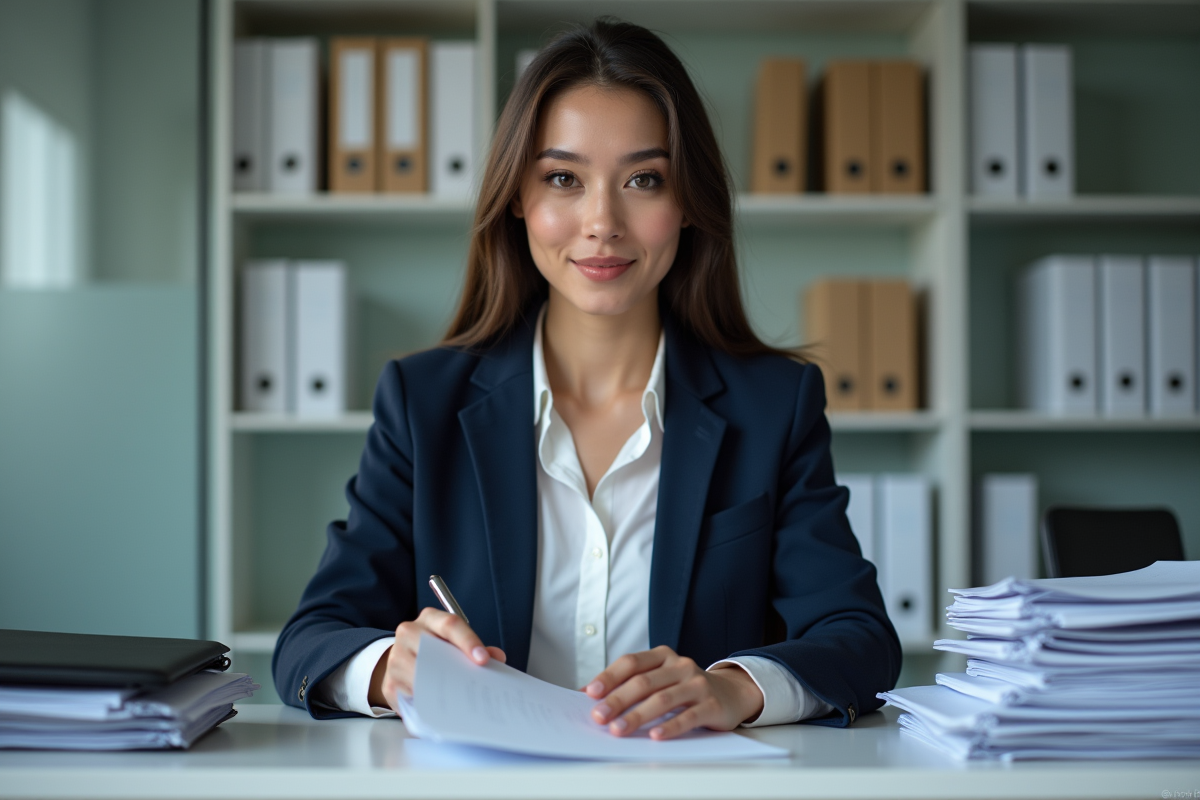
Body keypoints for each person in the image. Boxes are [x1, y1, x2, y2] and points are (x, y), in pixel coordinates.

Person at [273, 17, 900, 739]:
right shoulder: (423, 403)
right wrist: (390, 667)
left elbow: (859, 637)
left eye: (643, 179)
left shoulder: (774, 406)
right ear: (518, 198)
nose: (602, 222)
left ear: (688, 201)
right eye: (563, 178)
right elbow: (310, 640)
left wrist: (732, 689)